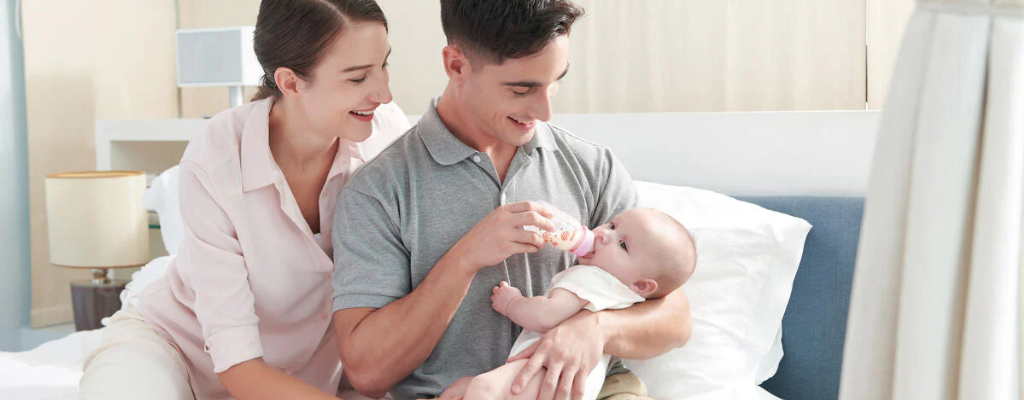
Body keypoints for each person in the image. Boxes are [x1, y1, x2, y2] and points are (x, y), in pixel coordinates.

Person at [331, 2, 694, 400]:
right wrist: (465, 257)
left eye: (554, 82)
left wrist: (593, 328)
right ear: (456, 65)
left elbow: (675, 319)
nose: (545, 110)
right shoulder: (379, 191)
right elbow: (367, 372)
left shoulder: (592, 167)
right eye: (522, 89)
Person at [78, 1, 409, 399]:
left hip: (310, 378)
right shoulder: (216, 158)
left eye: (384, 65)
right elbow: (239, 370)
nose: (384, 93)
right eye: (357, 78)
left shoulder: (387, 137)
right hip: (177, 350)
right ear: (290, 82)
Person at [441, 208, 698, 400]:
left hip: (546, 372)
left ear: (642, 285)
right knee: (474, 388)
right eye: (611, 225)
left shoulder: (593, 279)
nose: (604, 235)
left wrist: (512, 302)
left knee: (481, 390)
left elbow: (545, 315)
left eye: (622, 244)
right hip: (579, 385)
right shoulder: (627, 296)